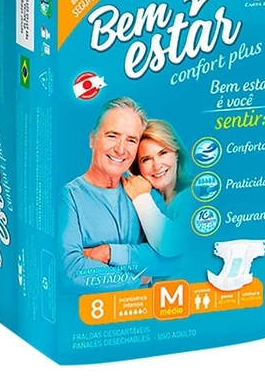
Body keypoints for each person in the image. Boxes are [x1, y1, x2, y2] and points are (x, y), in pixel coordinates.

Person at [58, 97, 174, 292]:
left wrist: (108, 253)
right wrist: (137, 278)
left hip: (144, 309)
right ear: (92, 139)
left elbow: (172, 259)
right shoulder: (69, 198)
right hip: (93, 310)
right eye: (112, 136)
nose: (120, 149)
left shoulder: (144, 193)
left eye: (131, 140)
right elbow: (71, 270)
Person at [122, 119, 192, 258]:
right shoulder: (139, 199)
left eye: (163, 153)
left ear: (176, 154)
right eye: (146, 159)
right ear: (138, 168)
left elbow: (172, 244)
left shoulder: (193, 196)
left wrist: (141, 198)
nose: (157, 165)